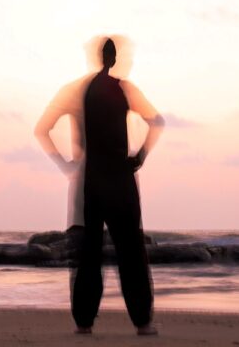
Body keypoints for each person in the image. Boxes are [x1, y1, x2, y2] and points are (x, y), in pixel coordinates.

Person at [34, 37, 164, 335]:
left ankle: (84, 322)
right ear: (113, 58)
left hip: (89, 181)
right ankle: (142, 322)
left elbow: (42, 129)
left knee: (89, 253)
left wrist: (66, 164)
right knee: (130, 251)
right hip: (119, 179)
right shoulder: (125, 89)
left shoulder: (74, 91)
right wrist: (140, 156)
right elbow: (157, 121)